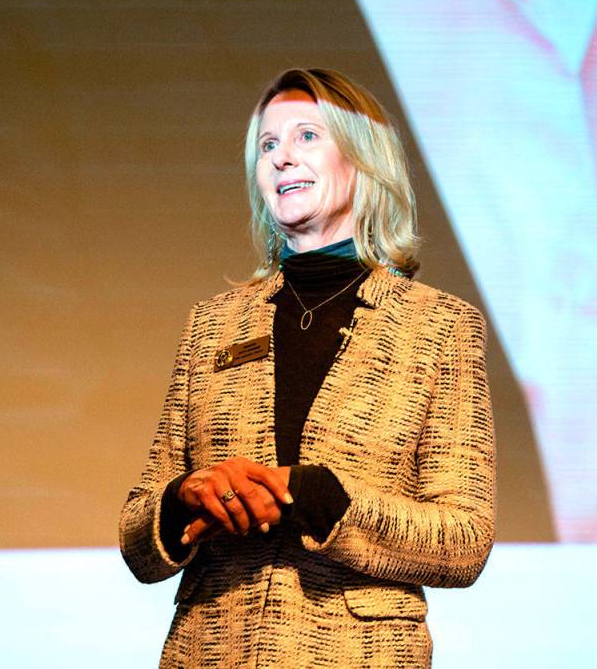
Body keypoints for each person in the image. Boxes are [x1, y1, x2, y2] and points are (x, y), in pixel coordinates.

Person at [119, 68, 496, 667]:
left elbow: (464, 542)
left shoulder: (439, 328)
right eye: (267, 146)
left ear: (362, 159)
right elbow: (138, 538)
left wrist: (315, 498)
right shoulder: (212, 324)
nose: (281, 158)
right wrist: (185, 497)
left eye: (306, 137)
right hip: (212, 650)